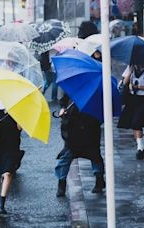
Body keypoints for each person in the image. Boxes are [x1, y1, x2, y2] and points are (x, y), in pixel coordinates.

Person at [54, 52, 105, 197]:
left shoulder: (98, 89)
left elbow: (100, 112)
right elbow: (64, 101)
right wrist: (63, 109)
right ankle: (61, 183)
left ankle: (99, 180)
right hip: (73, 130)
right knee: (65, 158)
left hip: (90, 129)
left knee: (95, 156)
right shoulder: (73, 85)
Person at [117, 65, 144, 160]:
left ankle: (140, 147)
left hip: (142, 99)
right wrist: (130, 71)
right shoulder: (130, 67)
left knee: (137, 121)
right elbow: (124, 82)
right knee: (133, 123)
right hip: (132, 98)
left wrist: (140, 87)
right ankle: (140, 145)